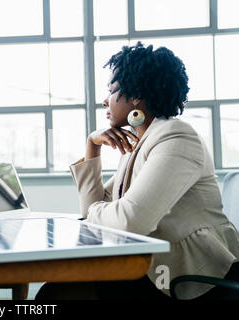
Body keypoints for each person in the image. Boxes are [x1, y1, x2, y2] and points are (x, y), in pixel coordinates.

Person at [36, 42, 239, 300]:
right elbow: (93, 212)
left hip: (193, 279)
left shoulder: (176, 138)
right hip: (153, 268)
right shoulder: (138, 143)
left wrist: (98, 213)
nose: (104, 100)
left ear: (136, 95)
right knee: (54, 291)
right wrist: (92, 146)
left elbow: (128, 221)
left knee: (57, 294)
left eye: (111, 91)